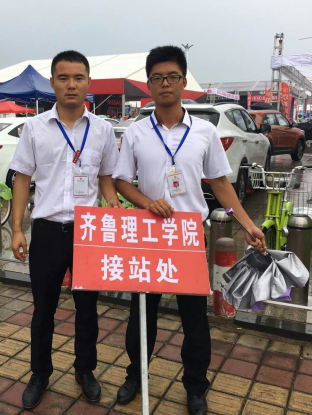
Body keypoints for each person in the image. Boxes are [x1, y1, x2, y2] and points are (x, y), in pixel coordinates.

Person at [112, 46, 266, 415]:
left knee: (194, 319)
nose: (165, 83)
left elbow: (221, 183)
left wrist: (247, 224)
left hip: (188, 236)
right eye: (157, 78)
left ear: (183, 81)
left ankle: (196, 386)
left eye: (172, 77)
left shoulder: (204, 132)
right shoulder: (136, 133)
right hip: (149, 235)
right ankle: (136, 376)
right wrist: (147, 202)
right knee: (141, 314)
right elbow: (121, 181)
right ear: (149, 85)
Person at [10, 50, 121, 409]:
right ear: (53, 83)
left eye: (78, 78)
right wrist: (17, 229)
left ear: (88, 82)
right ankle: (40, 373)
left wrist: (113, 205)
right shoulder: (34, 128)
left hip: (88, 232)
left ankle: (85, 370)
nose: (71, 84)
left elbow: (107, 177)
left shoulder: (103, 130)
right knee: (43, 309)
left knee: (88, 308)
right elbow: (22, 179)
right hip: (46, 230)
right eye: (63, 78)